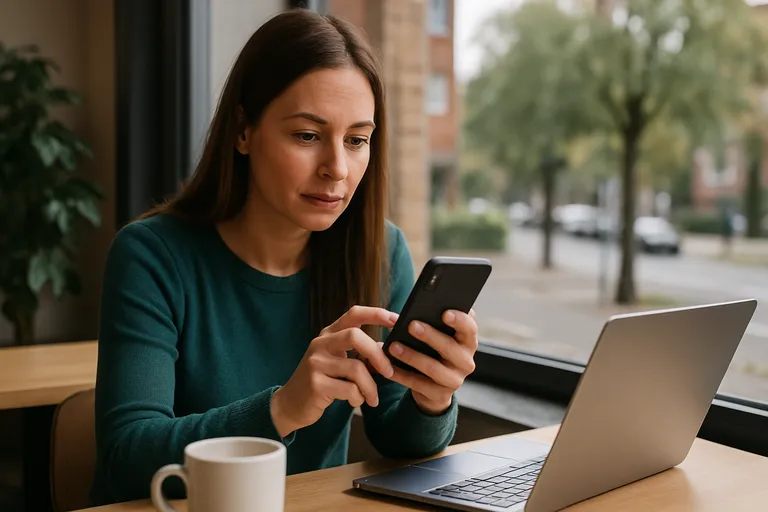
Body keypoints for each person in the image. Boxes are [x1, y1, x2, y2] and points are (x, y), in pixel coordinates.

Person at [90, 9, 479, 506]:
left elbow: (399, 440)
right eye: (307, 136)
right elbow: (126, 458)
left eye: (357, 140)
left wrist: (433, 399)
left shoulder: (381, 252)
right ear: (243, 131)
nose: (337, 168)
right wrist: (282, 408)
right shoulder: (151, 256)